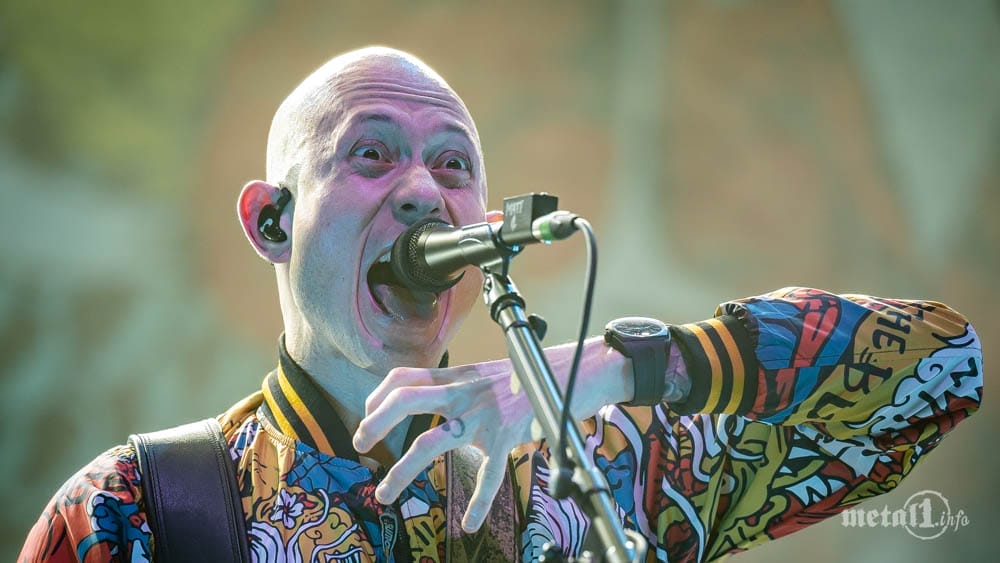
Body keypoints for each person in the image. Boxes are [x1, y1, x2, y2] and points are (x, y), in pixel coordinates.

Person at [20, 47, 983, 563]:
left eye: (453, 167)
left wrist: (612, 367)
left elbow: (944, 365)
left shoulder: (606, 468)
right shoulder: (136, 508)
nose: (422, 191)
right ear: (271, 220)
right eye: (371, 153)